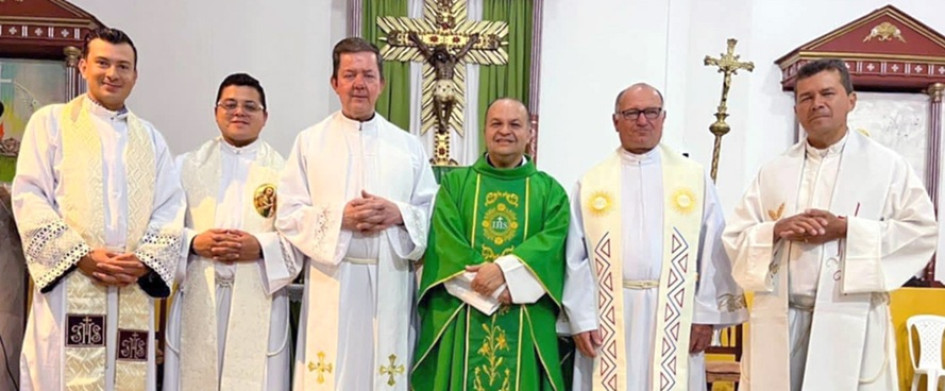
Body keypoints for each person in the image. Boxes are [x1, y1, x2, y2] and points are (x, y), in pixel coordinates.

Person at [722, 59, 938, 391]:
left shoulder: (887, 166)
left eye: (827, 93)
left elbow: (921, 231)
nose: (817, 104)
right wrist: (775, 230)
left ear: (851, 101)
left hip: (848, 316)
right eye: (806, 97)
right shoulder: (774, 170)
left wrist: (849, 229)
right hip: (782, 319)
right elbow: (736, 237)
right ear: (796, 109)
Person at [12, 27, 184, 391]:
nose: (113, 74)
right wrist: (81, 256)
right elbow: (29, 196)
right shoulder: (51, 123)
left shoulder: (150, 138)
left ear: (135, 76)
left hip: (130, 286)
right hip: (70, 286)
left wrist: (144, 261)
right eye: (103, 63)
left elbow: (170, 207)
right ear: (83, 67)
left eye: (123, 66)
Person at [276, 37, 438, 391]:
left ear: (382, 83)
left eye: (368, 75)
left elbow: (432, 214)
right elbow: (288, 214)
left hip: (391, 280)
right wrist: (339, 220)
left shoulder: (407, 146)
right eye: (349, 74)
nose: (359, 84)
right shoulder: (310, 142)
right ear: (334, 83)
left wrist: (398, 213)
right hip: (332, 280)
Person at [563, 83, 747, 390]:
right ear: (615, 121)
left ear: (663, 118)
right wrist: (582, 319)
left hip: (676, 313)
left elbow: (714, 249)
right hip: (608, 316)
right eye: (632, 113)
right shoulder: (592, 181)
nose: (642, 120)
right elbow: (575, 257)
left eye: (651, 112)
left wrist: (705, 315)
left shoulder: (692, 176)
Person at [412, 98, 570, 390]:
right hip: (463, 313)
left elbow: (553, 248)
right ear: (484, 130)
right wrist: (499, 285)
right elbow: (446, 244)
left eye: (515, 124)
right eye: (496, 123)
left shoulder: (550, 191)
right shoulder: (455, 185)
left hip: (524, 318)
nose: (504, 131)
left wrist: (504, 274)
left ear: (529, 133)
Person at [163, 73, 302, 391]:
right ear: (216, 112)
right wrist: (194, 242)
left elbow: (300, 237)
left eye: (250, 106)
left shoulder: (285, 173)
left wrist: (261, 247)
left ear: (264, 117)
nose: (239, 112)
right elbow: (160, 228)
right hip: (199, 292)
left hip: (258, 294)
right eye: (230, 104)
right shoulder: (184, 166)